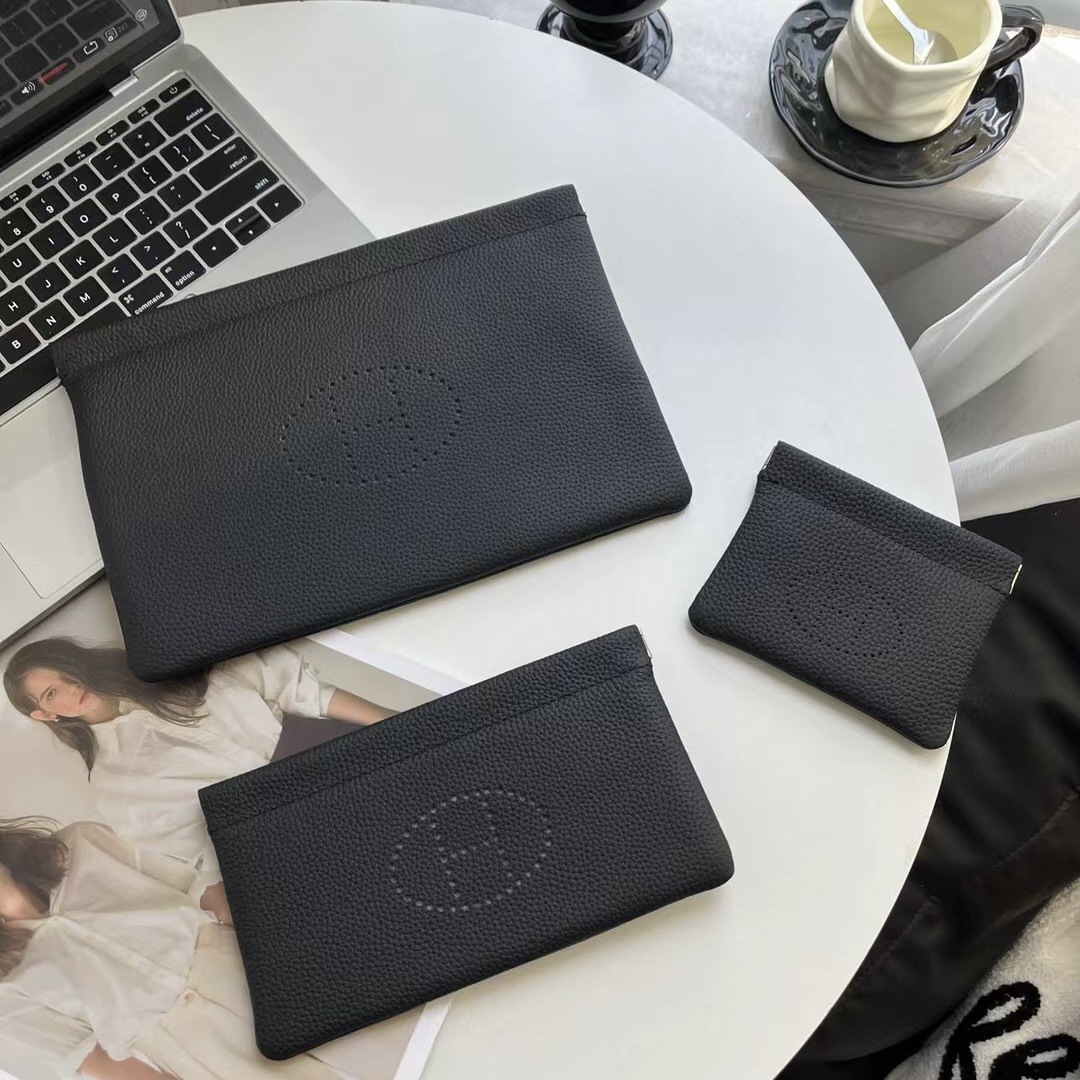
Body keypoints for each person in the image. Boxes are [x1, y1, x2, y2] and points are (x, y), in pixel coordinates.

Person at [3, 639, 391, 876]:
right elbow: (201, 853)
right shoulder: (114, 785)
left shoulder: (164, 666)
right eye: (52, 693)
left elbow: (300, 688)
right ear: (45, 715)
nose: (71, 688)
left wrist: (395, 725)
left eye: (67, 674)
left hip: (340, 749)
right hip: (288, 828)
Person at [0, 817, 347, 1080]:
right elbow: (92, 1059)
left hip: (243, 965)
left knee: (372, 1044)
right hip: (195, 1048)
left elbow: (202, 890)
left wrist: (293, 934)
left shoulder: (78, 845)